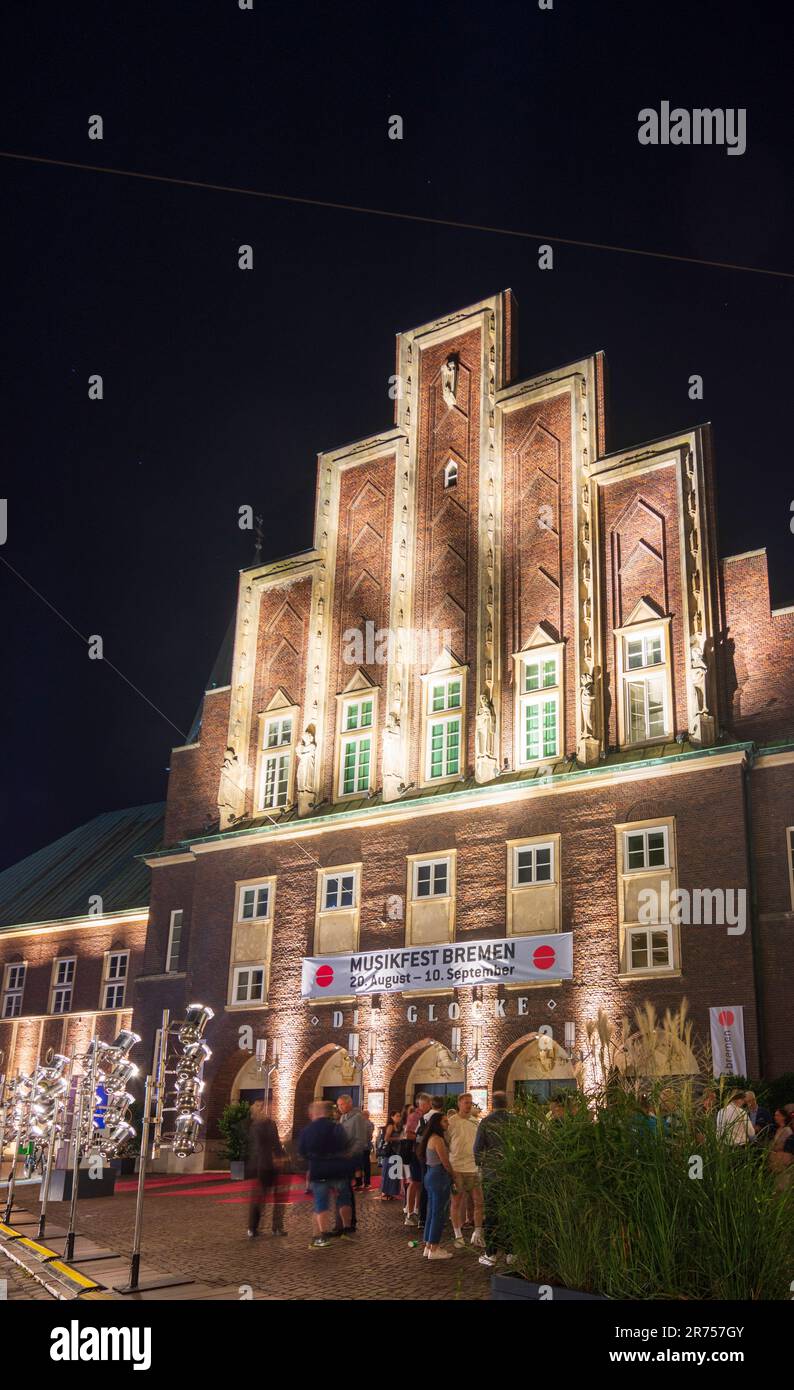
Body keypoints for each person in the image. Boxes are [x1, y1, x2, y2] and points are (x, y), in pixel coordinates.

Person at [297, 1099, 354, 1248]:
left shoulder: (307, 1130)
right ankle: (346, 1229)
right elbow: (346, 1145)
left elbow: (302, 1152)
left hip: (319, 1170)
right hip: (338, 1169)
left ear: (313, 1114)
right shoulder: (337, 1127)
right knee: (344, 1200)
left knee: (321, 1204)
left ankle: (321, 1236)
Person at [473, 1091, 511, 1268]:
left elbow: (477, 1149)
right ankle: (512, 1252)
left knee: (493, 1213)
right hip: (511, 1173)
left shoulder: (486, 1122)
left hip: (492, 1174)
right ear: (507, 1103)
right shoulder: (515, 1121)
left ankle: (491, 1253)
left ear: (492, 1103)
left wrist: (483, 1165)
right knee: (511, 1212)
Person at [446, 1093, 485, 1248]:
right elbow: (448, 1142)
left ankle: (477, 1233)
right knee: (456, 1201)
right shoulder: (451, 1122)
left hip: (473, 1167)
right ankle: (458, 1235)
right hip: (457, 1168)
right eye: (466, 1103)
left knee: (479, 1201)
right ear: (459, 1103)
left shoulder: (475, 1122)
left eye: (470, 1103)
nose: (469, 1105)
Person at [246, 1100, 286, 1238]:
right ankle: (275, 1227)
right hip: (266, 1165)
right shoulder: (265, 1125)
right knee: (275, 1198)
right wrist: (278, 1157)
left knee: (260, 1199)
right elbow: (274, 1143)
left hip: (261, 1165)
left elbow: (272, 1144)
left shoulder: (256, 1125)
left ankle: (253, 1228)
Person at [417, 1111, 454, 1259]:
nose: (447, 1124)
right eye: (445, 1121)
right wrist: (453, 1175)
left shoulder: (430, 1138)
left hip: (431, 1174)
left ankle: (428, 1245)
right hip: (439, 1176)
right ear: (438, 1123)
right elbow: (445, 1161)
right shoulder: (437, 1139)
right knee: (438, 1213)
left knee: (432, 1211)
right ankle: (434, 1247)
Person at [337, 1094, 369, 1229]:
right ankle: (345, 1220)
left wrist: (350, 1153)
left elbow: (361, 1139)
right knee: (344, 1189)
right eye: (338, 1105)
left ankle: (350, 1221)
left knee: (346, 1189)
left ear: (349, 1104)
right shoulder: (342, 1118)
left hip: (351, 1157)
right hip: (342, 1157)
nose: (339, 1108)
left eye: (341, 1105)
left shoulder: (357, 1118)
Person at [404, 1093, 431, 1227]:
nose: (430, 1106)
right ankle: (409, 1213)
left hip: (422, 1153)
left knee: (420, 1183)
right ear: (423, 1104)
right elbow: (408, 1134)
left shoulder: (426, 1117)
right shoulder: (415, 1116)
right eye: (429, 1103)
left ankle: (417, 1209)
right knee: (414, 1182)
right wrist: (421, 1138)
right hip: (415, 1153)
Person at [380, 1109, 405, 1201]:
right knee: (389, 1172)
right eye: (397, 1116)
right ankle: (386, 1192)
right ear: (392, 1117)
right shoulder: (390, 1126)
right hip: (391, 1152)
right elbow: (386, 1138)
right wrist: (399, 1138)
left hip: (397, 1151)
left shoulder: (398, 1126)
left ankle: (392, 1192)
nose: (399, 1117)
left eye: (399, 1116)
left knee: (394, 1173)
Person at [361, 1109, 375, 1188]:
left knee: (365, 1164)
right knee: (366, 1164)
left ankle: (366, 1182)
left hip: (364, 1146)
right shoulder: (371, 1124)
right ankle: (367, 1181)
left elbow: (368, 1135)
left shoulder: (366, 1124)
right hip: (366, 1146)